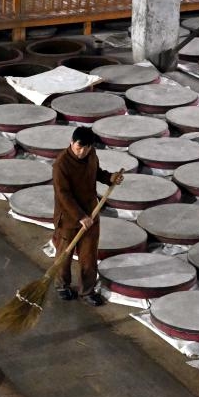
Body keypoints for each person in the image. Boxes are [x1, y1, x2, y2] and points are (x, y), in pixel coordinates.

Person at [52, 127, 123, 306]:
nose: (82, 151)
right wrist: (79, 216)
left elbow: (96, 172)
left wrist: (110, 178)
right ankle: (62, 285)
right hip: (68, 217)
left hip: (91, 212)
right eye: (79, 147)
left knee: (89, 255)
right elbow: (63, 195)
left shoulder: (91, 155)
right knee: (65, 254)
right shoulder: (61, 164)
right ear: (71, 142)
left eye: (87, 147)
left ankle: (87, 290)